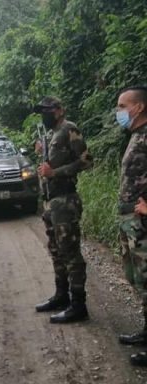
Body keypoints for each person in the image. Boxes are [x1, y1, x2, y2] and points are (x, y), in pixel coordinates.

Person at [33, 97, 93, 323]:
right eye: (41, 111)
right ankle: (61, 296)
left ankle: (78, 305)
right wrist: (41, 152)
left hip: (66, 200)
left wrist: (54, 173)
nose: (44, 115)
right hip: (51, 201)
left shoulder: (69, 129)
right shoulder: (50, 134)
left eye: (47, 110)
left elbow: (87, 161)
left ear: (59, 111)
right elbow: (50, 164)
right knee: (56, 250)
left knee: (70, 253)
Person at [115, 86, 147, 366]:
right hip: (130, 220)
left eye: (123, 106)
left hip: (142, 222)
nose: (119, 112)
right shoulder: (136, 135)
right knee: (137, 278)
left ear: (138, 107)